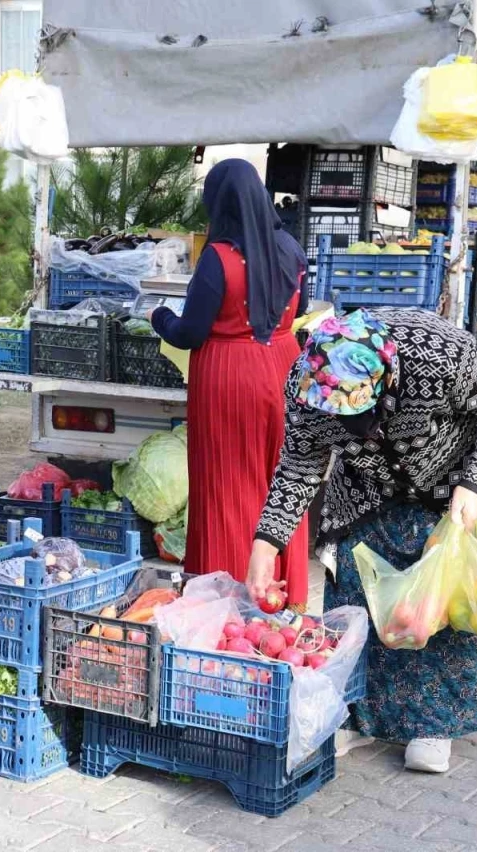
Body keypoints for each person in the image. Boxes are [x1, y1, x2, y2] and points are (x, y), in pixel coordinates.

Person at [247, 307, 477, 774]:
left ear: (387, 380)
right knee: (361, 598)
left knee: (444, 605)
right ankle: (362, 714)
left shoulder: (435, 355)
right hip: (366, 492)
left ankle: (433, 723)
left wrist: (475, 484)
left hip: (455, 485)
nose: (355, 426)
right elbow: (300, 465)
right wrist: (267, 543)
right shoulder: (307, 385)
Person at [149, 159, 311, 609]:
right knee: (282, 482)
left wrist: (156, 315)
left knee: (229, 485)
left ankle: (228, 602)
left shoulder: (218, 259)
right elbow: (298, 312)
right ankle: (286, 595)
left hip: (229, 379)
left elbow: (188, 333)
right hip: (283, 369)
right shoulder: (292, 250)